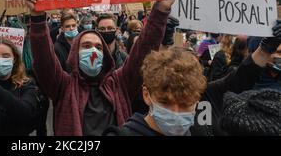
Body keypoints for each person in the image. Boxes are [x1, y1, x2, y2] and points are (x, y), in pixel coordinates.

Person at [26, 0, 176, 136]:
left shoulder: (120, 83)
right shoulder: (64, 86)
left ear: (104, 55)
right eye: (86, 46)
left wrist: (160, 10)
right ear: (75, 54)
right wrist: (37, 18)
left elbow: (143, 52)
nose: (92, 51)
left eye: (98, 47)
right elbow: (44, 61)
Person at [104, 20, 281, 136]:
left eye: (185, 103)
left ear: (197, 96)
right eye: (165, 102)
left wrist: (266, 49)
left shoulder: (207, 95)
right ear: (146, 94)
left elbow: (241, 78)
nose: (176, 112)